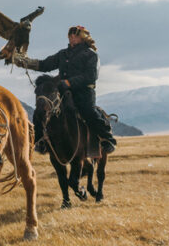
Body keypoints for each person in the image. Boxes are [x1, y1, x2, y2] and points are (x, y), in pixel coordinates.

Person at [13, 25, 117, 155]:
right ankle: (40, 141)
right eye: (70, 36)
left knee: (89, 112)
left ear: (83, 38)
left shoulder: (91, 55)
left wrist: (69, 82)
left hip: (83, 93)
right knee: (41, 110)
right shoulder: (63, 54)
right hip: (62, 92)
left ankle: (108, 139)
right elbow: (44, 64)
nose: (72, 38)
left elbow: (91, 76)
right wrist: (24, 62)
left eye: (76, 36)